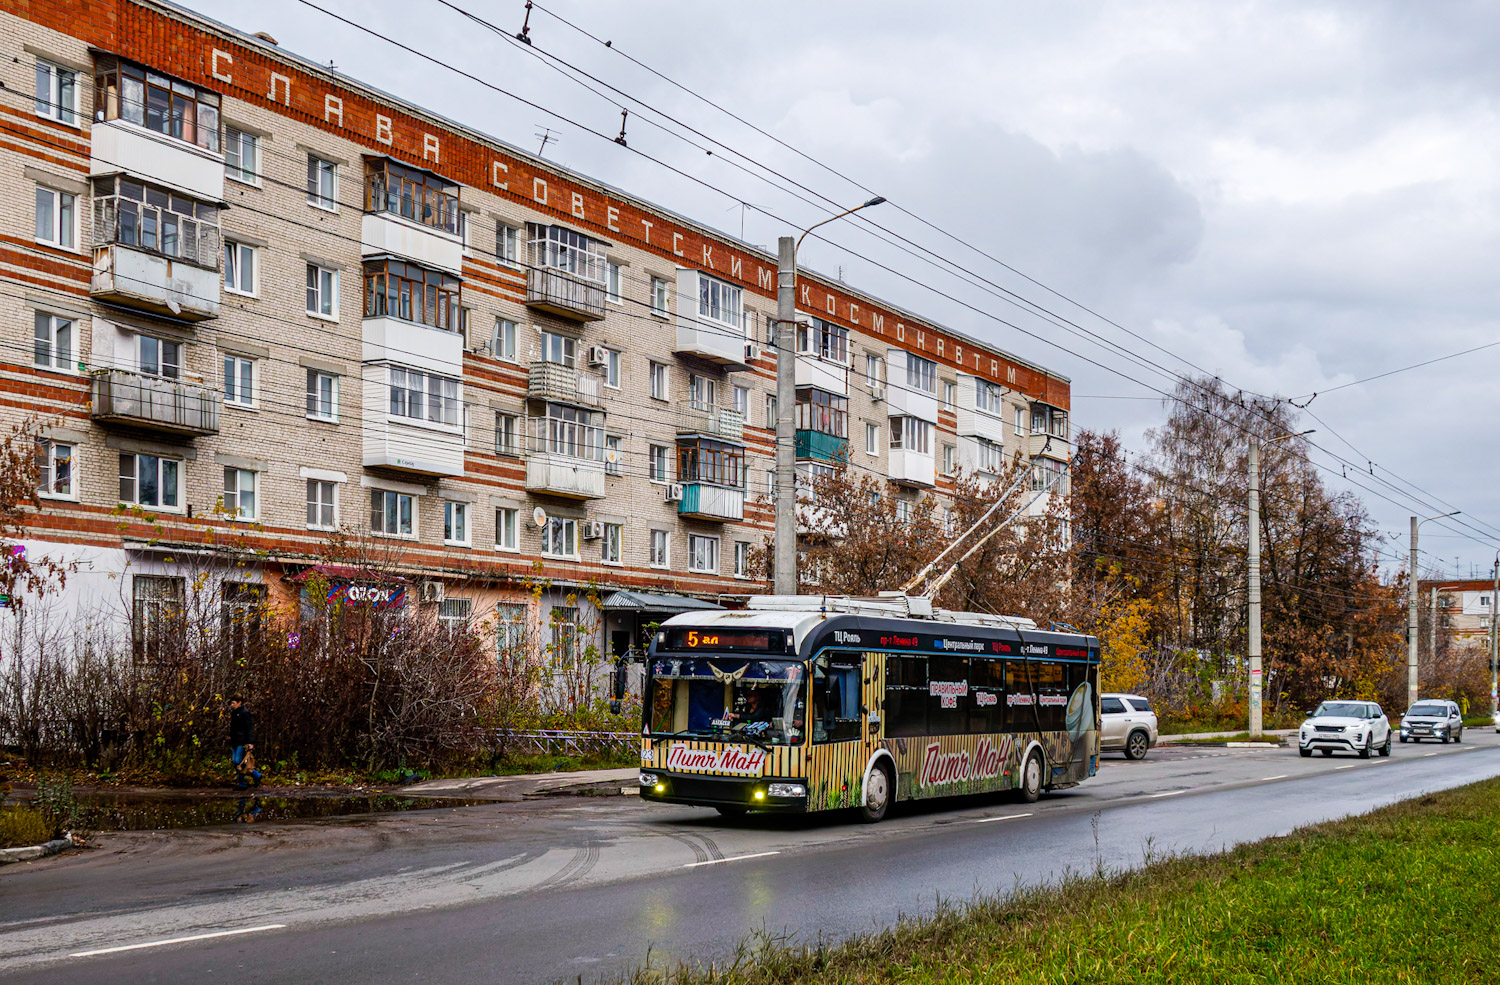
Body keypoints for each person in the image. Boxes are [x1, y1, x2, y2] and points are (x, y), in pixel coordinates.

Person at [228, 696, 262, 790]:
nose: (232, 705)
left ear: (239, 703)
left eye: (233, 703)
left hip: (242, 741)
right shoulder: (234, 713)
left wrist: (250, 742)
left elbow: (249, 728)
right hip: (235, 740)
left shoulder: (245, 713)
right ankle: (249, 779)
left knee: (238, 761)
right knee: (235, 762)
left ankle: (250, 778)